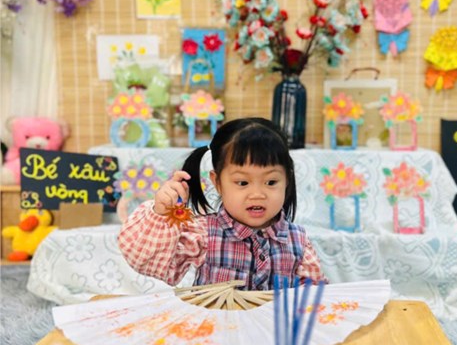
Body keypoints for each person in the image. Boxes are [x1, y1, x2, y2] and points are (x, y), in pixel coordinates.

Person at [118, 117, 326, 290]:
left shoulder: (297, 240)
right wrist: (160, 213)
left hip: (272, 327)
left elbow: (314, 296)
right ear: (217, 182)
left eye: (271, 182)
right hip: (215, 325)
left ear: (287, 180)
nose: (257, 194)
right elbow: (145, 262)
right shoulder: (203, 233)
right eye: (242, 183)